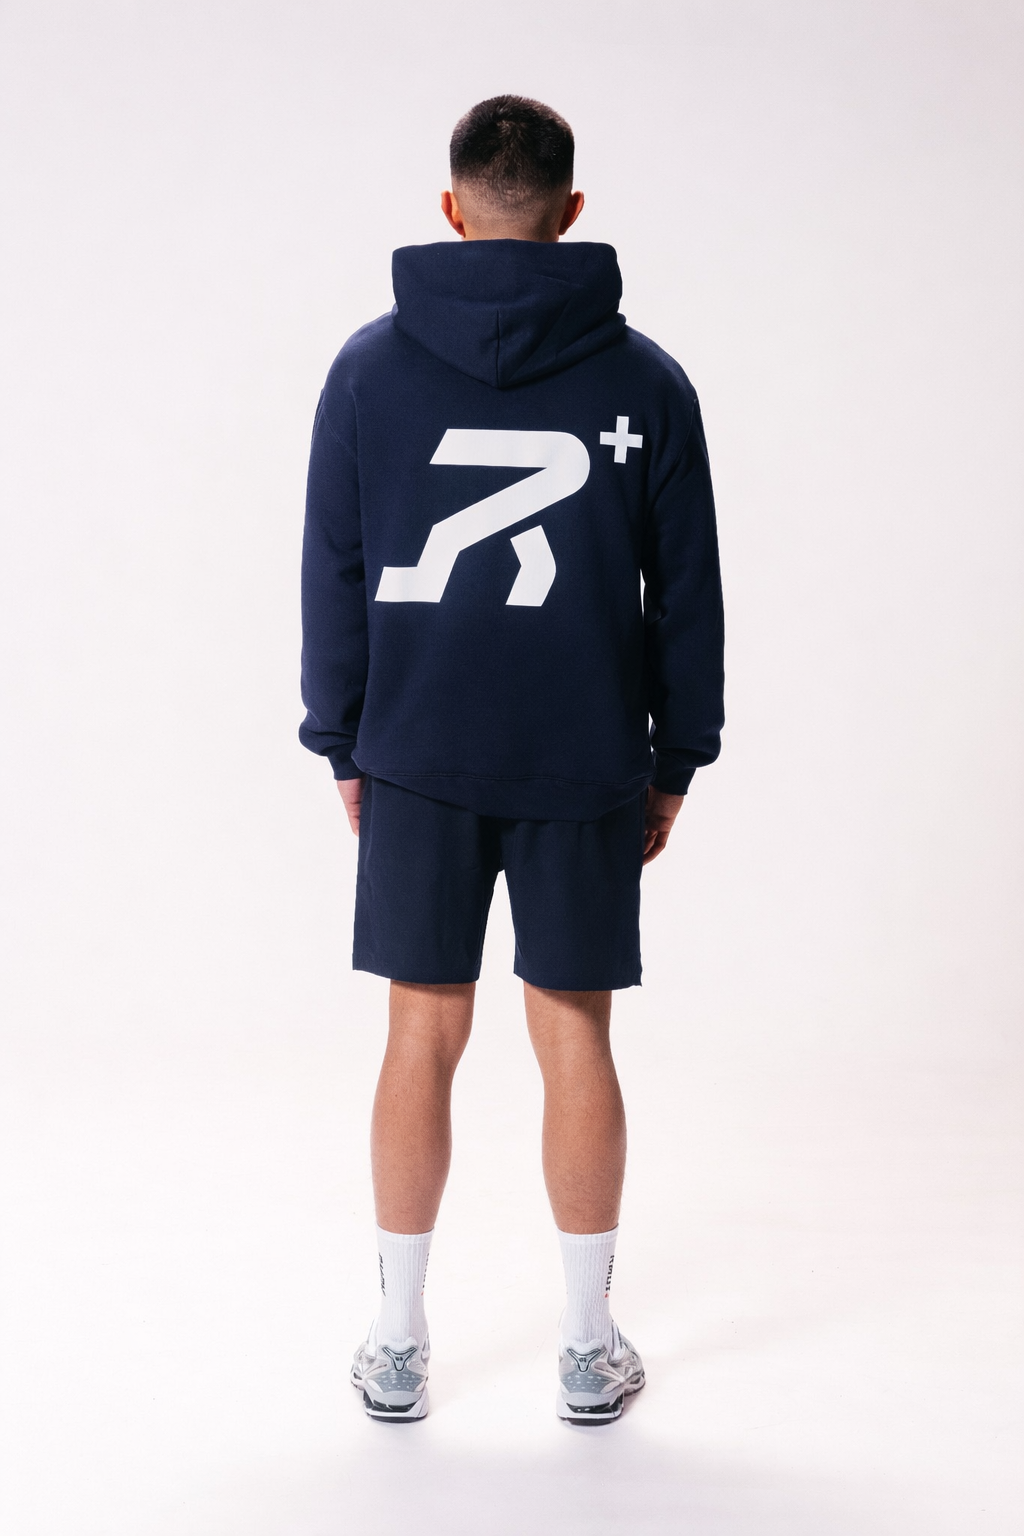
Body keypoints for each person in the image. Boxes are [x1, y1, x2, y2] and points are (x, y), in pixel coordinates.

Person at [299, 95, 724, 1424]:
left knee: (420, 1034)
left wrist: (342, 739)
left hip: (417, 748)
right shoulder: (647, 383)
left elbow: (335, 570)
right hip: (584, 750)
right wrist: (676, 756)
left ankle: (397, 1343)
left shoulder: (367, 373)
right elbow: (687, 597)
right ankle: (588, 1348)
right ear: (572, 212)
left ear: (450, 208)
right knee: (574, 1032)